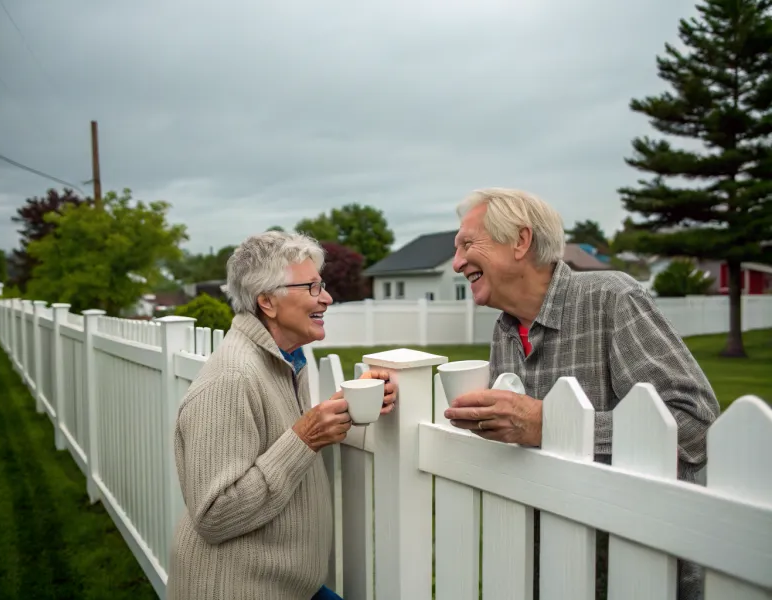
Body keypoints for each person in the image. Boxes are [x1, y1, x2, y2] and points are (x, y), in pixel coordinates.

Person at [443, 188, 719, 600]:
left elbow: (696, 425)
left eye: (467, 244)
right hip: (549, 566)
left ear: (520, 241)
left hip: (639, 568)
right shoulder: (505, 329)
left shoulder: (611, 298)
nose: (457, 262)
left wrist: (551, 425)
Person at [167, 230, 396, 600]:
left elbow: (282, 436)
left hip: (287, 587)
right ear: (268, 303)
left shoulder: (286, 361)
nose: (327, 297)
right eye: (311, 287)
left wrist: (353, 403)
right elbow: (214, 516)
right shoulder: (231, 379)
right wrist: (304, 439)